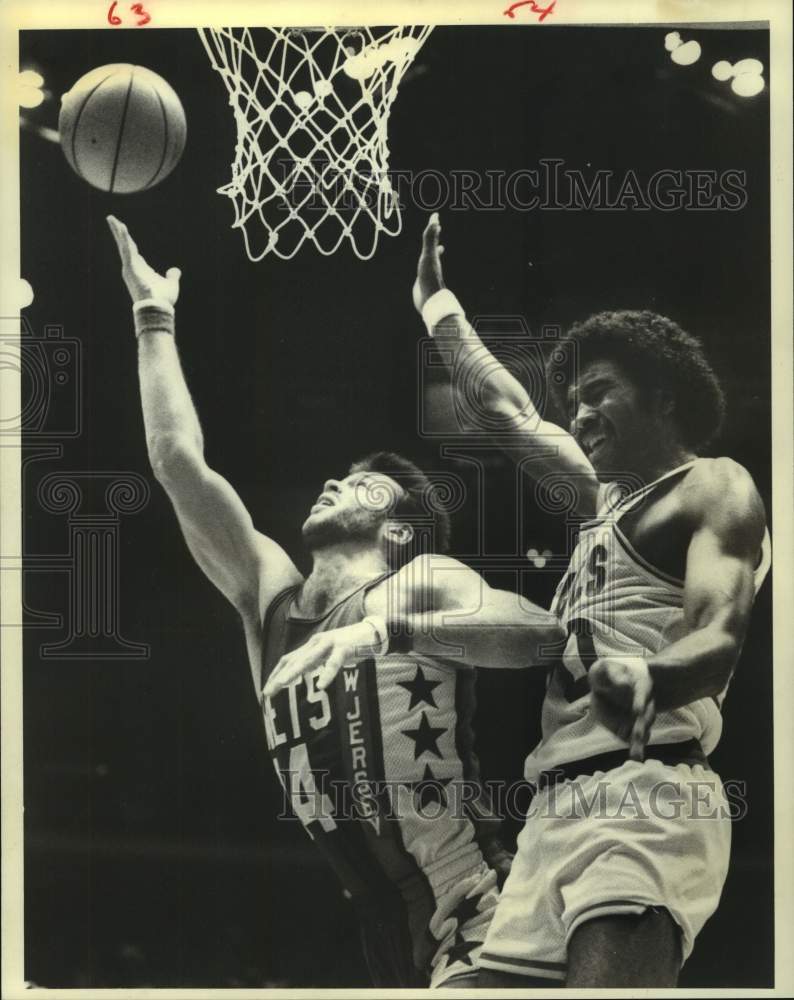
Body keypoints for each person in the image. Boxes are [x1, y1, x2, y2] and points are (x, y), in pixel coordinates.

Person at [106, 215, 564, 988]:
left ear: (401, 529)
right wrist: (153, 317)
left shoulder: (420, 578)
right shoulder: (270, 601)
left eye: (363, 483)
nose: (334, 481)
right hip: (383, 931)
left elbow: (540, 635)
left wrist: (389, 629)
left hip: (476, 901)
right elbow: (177, 463)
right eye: (337, 475)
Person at [411, 213, 771, 986]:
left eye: (598, 393)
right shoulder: (597, 498)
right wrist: (438, 307)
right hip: (553, 807)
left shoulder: (713, 485)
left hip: (649, 791)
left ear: (663, 396)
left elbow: (720, 633)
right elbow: (507, 410)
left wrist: (653, 678)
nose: (577, 415)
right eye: (571, 401)